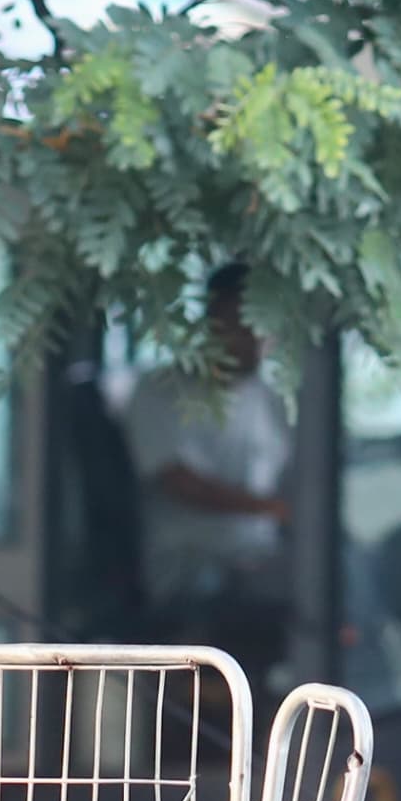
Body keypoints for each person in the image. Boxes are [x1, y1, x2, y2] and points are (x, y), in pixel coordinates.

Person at [123, 267, 294, 674]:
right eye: (243, 322)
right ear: (214, 321)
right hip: (192, 569)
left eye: (264, 326)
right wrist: (273, 510)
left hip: (261, 561)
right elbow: (178, 481)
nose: (255, 337)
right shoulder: (162, 389)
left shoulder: (270, 398)